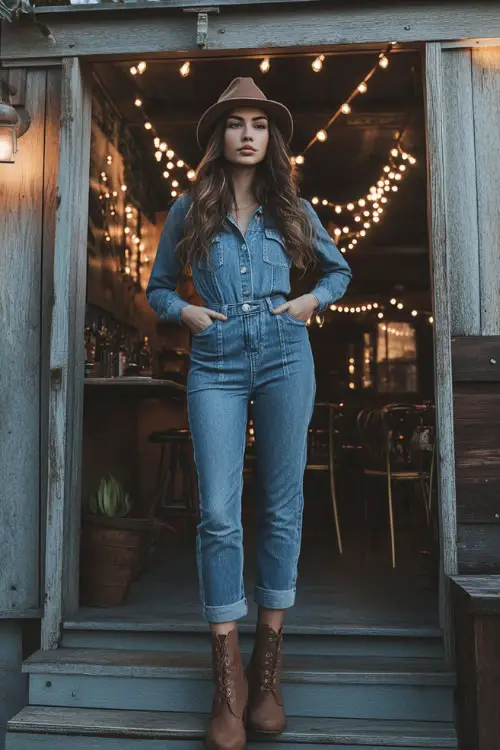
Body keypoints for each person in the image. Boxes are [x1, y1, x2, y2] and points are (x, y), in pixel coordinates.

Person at [147, 77, 352, 750]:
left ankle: (267, 677)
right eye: (235, 123)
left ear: (270, 139)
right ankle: (226, 683)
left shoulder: (292, 205)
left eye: (258, 125)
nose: (246, 134)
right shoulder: (188, 210)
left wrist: (310, 302)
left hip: (286, 352)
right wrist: (186, 311)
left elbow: (338, 270)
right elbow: (154, 290)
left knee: (284, 505)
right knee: (218, 511)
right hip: (216, 359)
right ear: (219, 136)